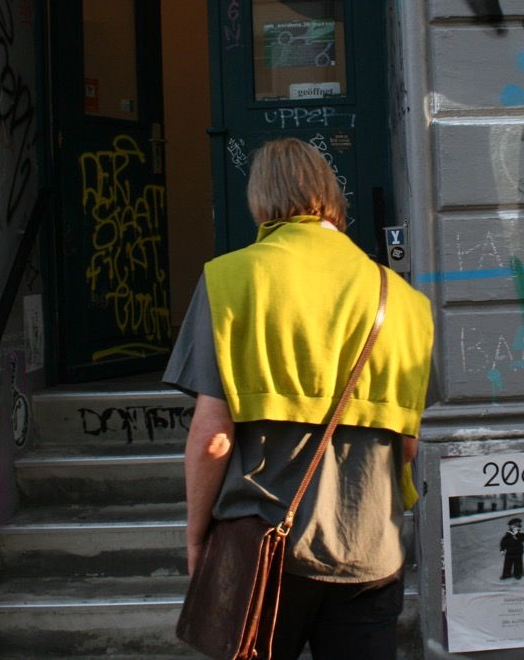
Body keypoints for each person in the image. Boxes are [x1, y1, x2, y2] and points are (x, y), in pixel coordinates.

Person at [164, 137, 434, 660]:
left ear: (259, 199)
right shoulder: (403, 300)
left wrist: (197, 538)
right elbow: (406, 446)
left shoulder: (229, 280)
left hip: (264, 554)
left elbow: (213, 437)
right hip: (369, 551)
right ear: (332, 196)